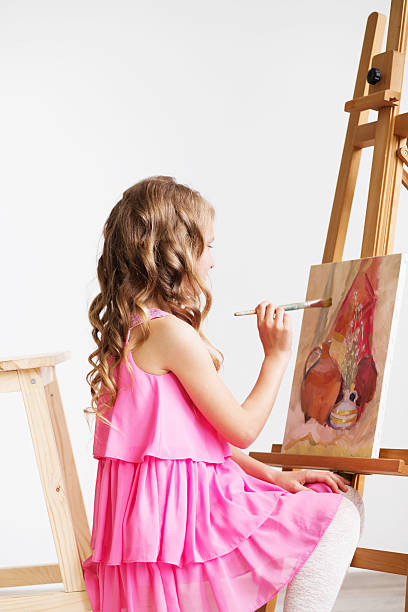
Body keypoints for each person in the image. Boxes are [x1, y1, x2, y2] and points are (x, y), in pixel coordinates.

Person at [81, 175, 365, 612]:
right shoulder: (170, 333)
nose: (213, 261)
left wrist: (272, 476)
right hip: (185, 523)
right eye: (209, 246)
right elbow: (243, 428)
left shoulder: (136, 329)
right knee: (341, 514)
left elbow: (191, 444)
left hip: (165, 521)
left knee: (339, 501)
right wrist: (276, 356)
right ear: (176, 252)